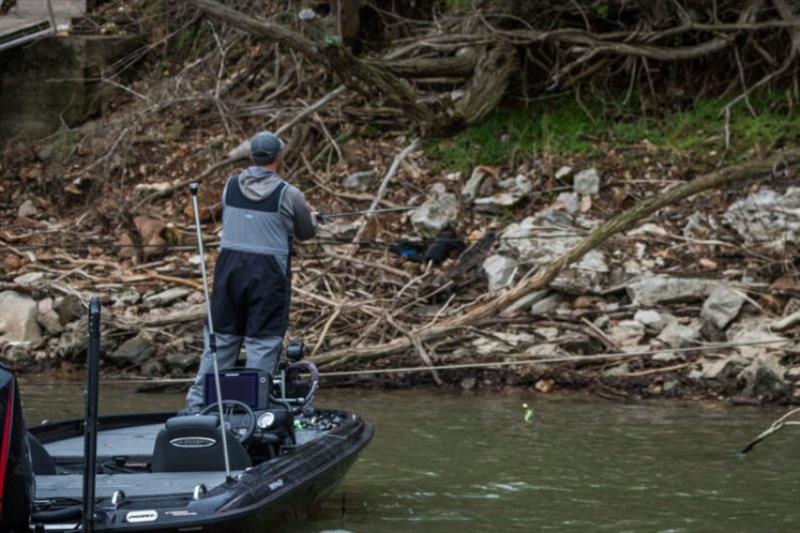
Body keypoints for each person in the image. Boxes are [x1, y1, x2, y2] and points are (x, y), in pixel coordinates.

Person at [184, 131, 318, 412]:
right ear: (279, 157)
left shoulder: (230, 186)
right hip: (268, 277)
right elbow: (306, 233)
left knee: (220, 341)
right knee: (262, 344)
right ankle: (253, 414)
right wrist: (311, 218)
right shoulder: (289, 194)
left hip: (229, 274)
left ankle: (196, 410)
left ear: (251, 156)